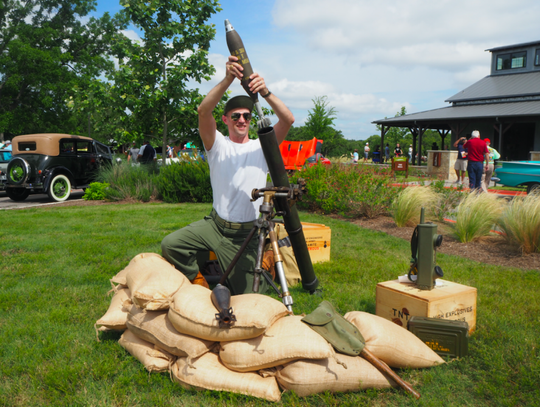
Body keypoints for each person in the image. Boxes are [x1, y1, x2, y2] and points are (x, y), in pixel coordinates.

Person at [160, 55, 294, 295]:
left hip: (246, 234)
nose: (241, 120)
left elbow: (288, 119)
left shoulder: (262, 146)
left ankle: (265, 258)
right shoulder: (217, 144)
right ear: (225, 119)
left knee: (252, 296)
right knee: (171, 245)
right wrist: (227, 79)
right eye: (235, 116)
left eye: (246, 116)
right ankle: (199, 281)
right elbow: (203, 110)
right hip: (215, 225)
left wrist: (265, 92)